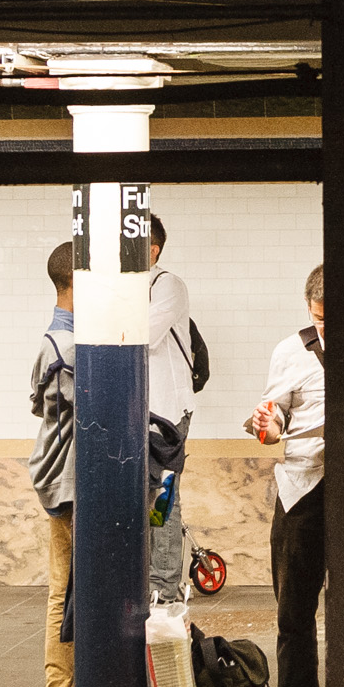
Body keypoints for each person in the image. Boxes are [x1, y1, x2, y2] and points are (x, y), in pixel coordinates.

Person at [245, 263, 328, 687]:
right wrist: (268, 427)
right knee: (294, 611)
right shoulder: (289, 351)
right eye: (319, 319)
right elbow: (271, 421)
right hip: (302, 487)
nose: (326, 327)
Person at [145, 215, 210, 607]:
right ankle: (147, 579)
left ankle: (163, 587)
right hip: (138, 414)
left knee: (163, 498)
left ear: (152, 250)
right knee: (144, 498)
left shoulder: (167, 285)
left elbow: (139, 335)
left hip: (168, 414)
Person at [28, 243, 80, 687]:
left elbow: (37, 405)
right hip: (70, 484)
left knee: (65, 588)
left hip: (58, 478)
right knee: (64, 591)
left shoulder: (52, 341)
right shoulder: (68, 346)